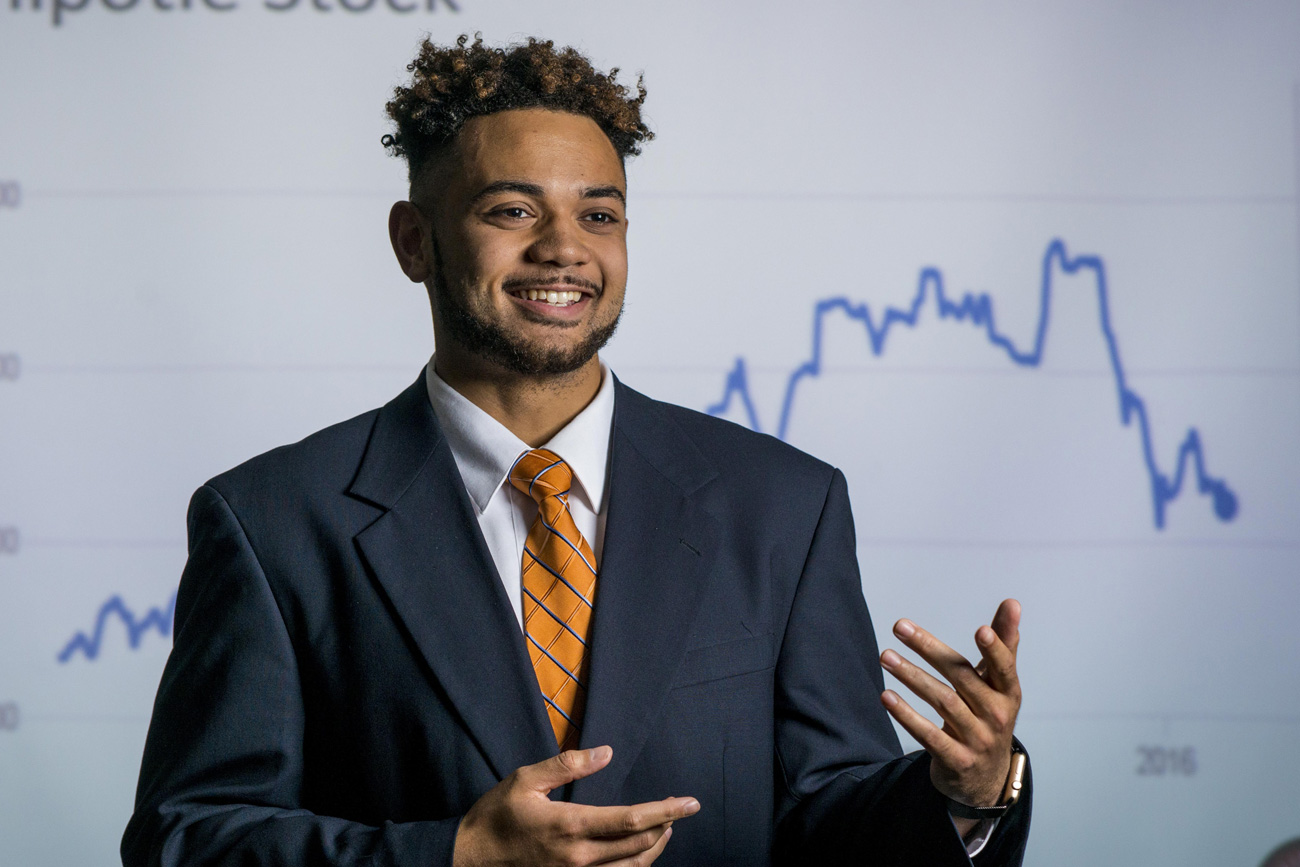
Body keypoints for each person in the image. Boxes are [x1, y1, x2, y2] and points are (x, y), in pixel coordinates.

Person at [122, 35, 1032, 867]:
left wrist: (967, 793)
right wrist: (455, 855)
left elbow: (831, 821)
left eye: (600, 216)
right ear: (413, 242)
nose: (564, 249)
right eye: (513, 209)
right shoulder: (274, 521)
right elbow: (187, 837)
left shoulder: (786, 506)